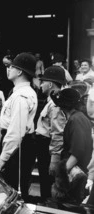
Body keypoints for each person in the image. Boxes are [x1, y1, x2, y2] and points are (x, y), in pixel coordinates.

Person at [0, 53, 38, 201]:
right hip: (18, 146)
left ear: (19, 71)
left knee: (14, 193)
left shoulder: (22, 96)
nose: (8, 70)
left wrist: (3, 157)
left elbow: (16, 132)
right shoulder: (21, 93)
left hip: (17, 149)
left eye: (10, 67)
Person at [50, 88, 93, 203]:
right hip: (76, 171)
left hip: (75, 174)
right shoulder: (78, 117)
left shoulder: (76, 119)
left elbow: (77, 151)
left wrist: (62, 175)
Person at [34, 66, 67, 201]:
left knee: (47, 187)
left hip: (48, 149)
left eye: (43, 82)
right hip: (45, 146)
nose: (41, 85)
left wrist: (54, 159)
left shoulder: (55, 104)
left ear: (50, 84)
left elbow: (58, 133)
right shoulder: (51, 101)